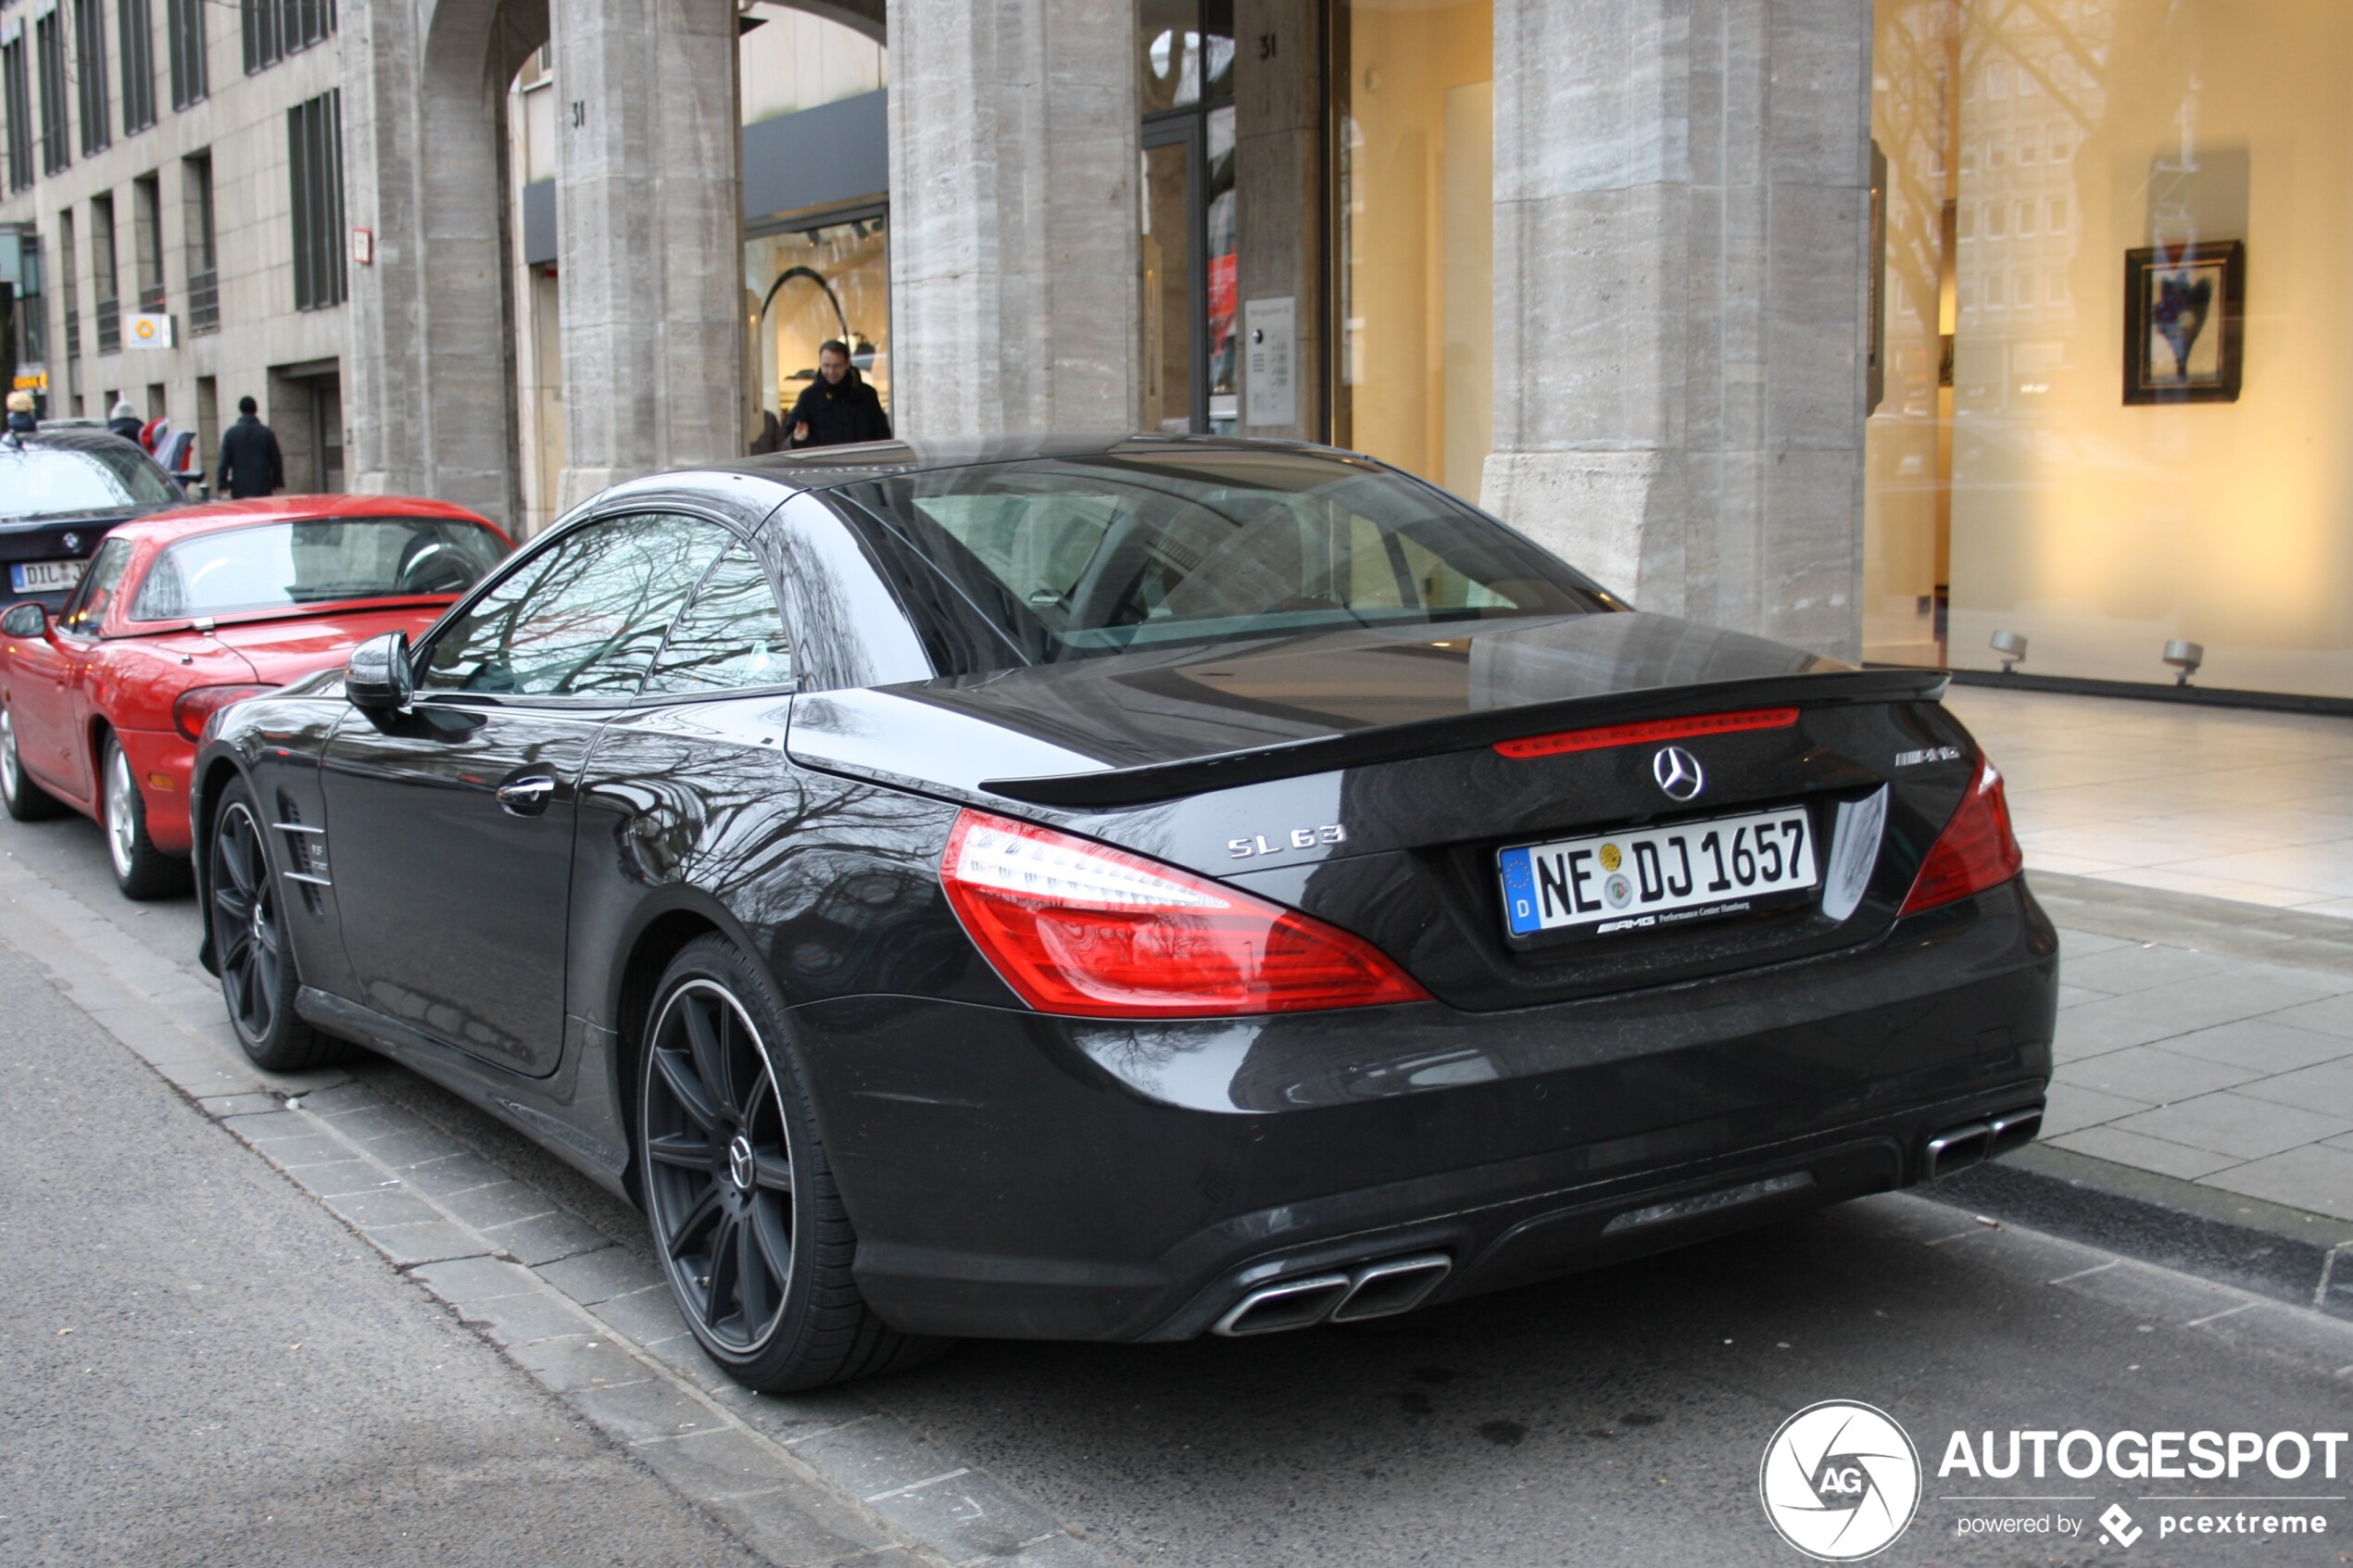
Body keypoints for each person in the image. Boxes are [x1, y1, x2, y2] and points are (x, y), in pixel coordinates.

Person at [785, 340, 891, 449]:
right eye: (826, 366)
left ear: (847, 364)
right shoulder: (809, 397)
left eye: (837, 366)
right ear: (820, 363)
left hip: (860, 462)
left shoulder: (866, 395)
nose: (831, 372)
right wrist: (797, 439)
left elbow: (882, 435)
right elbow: (791, 436)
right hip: (823, 463)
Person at [217, 395, 285, 499]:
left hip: (240, 486)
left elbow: (224, 461)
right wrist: (277, 481)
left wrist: (222, 483)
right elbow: (276, 459)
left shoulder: (231, 434)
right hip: (263, 485)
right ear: (255, 409)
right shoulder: (266, 433)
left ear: (241, 410)